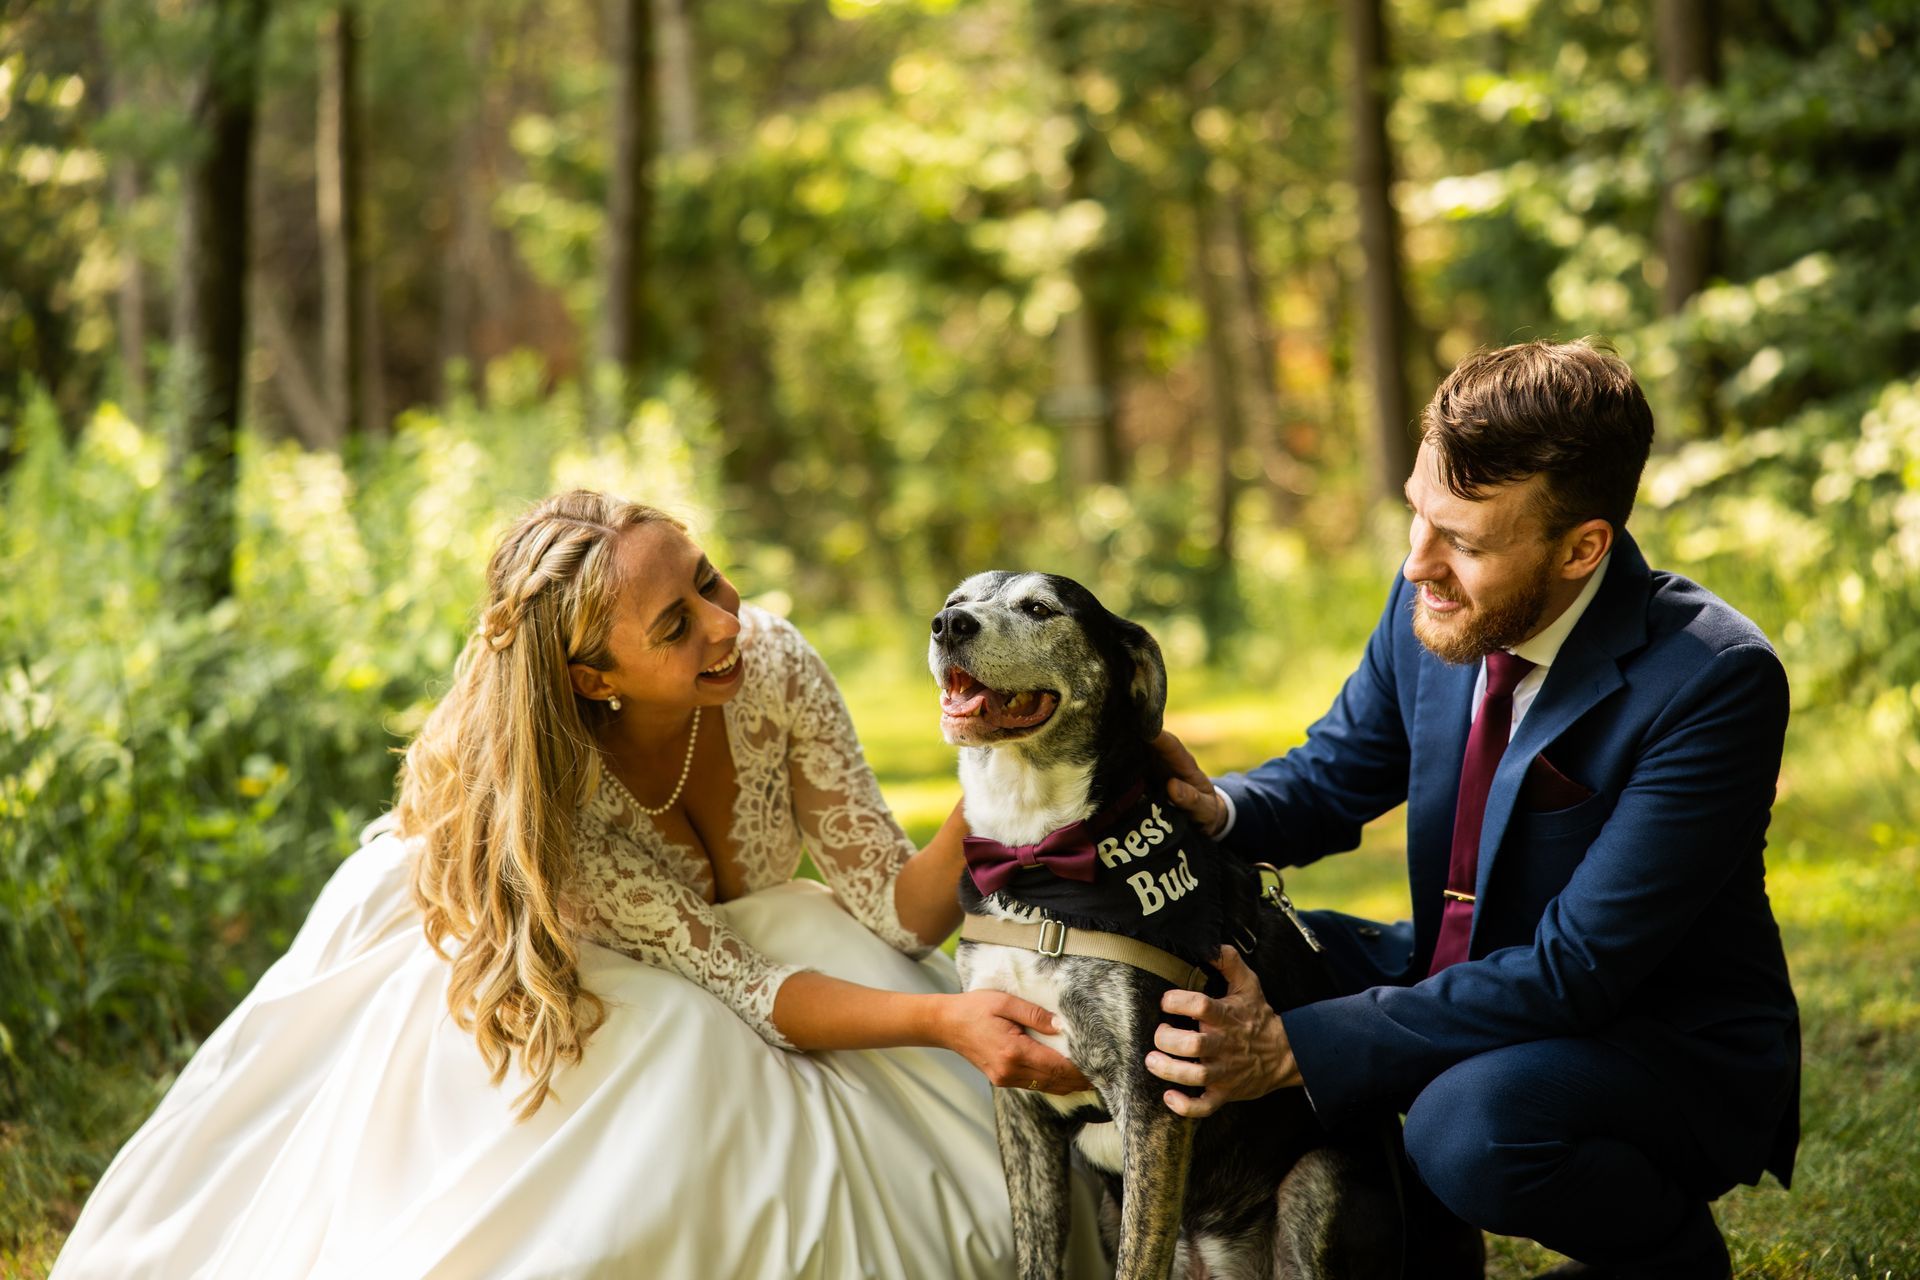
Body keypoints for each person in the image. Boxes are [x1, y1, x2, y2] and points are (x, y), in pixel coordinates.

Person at [53, 490, 1105, 1279]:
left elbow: (897, 904)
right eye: (674, 626)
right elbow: (748, 988)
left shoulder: (771, 663)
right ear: (595, 679)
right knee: (645, 1083)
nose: (723, 621)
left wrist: (1005, 768)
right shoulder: (563, 806)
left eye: (709, 577)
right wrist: (946, 1018)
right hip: (516, 920)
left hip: (755, 944)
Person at [1145, 340, 1799, 1279]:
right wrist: (1209, 806)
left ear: (1583, 548)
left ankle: (1668, 1258)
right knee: (1214, 965)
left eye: (1465, 541)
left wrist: (1290, 1049)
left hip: (1654, 1043)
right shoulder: (1441, 601)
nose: (1419, 565)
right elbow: (1336, 775)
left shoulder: (1713, 678)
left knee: (1465, 1130)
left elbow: (1577, 969)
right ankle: (1393, 1243)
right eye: (1417, 515)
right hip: (1457, 971)